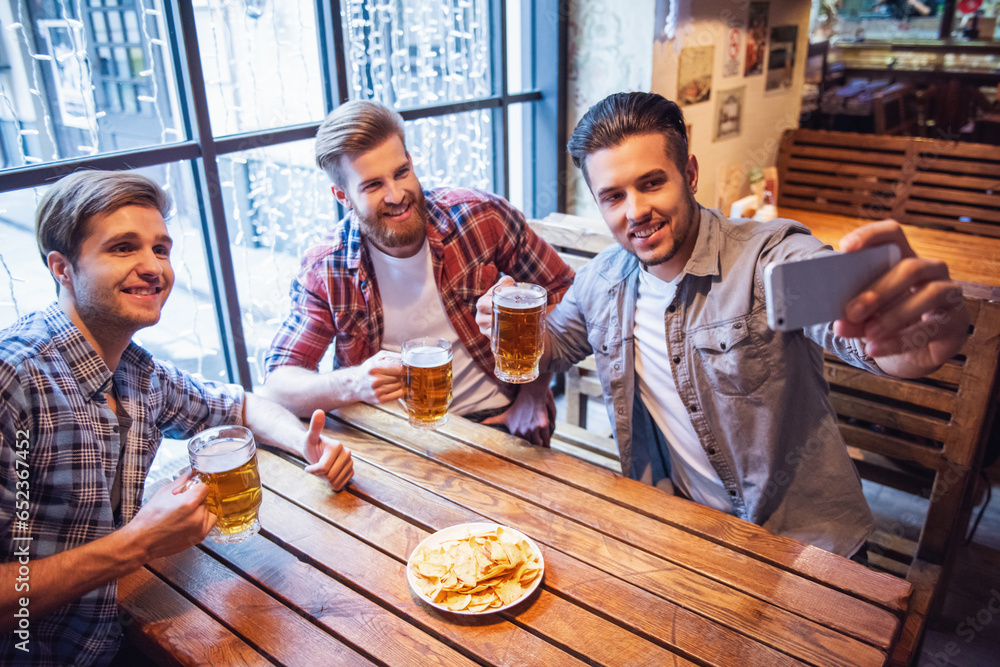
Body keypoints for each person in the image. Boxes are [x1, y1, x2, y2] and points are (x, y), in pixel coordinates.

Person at [476, 92, 969, 557]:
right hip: (680, 528)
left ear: (688, 173)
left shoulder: (766, 258)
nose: (636, 211)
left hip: (802, 544)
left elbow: (855, 327)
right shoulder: (602, 280)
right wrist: (507, 327)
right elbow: (553, 349)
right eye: (613, 196)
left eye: (651, 183)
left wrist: (918, 334)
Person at [0, 171, 354, 665]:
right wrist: (138, 542)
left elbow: (241, 407)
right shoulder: (13, 381)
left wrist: (304, 445)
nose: (154, 268)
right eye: (123, 248)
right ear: (62, 268)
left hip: (117, 635)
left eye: (160, 249)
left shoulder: (134, 370)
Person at [262, 100, 574, 446]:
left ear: (411, 163)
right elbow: (277, 385)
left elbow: (565, 291)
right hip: (390, 438)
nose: (396, 195)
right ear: (343, 196)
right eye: (372, 186)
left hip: (496, 422)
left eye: (400, 173)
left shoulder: (481, 217)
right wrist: (353, 383)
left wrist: (532, 393)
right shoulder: (327, 267)